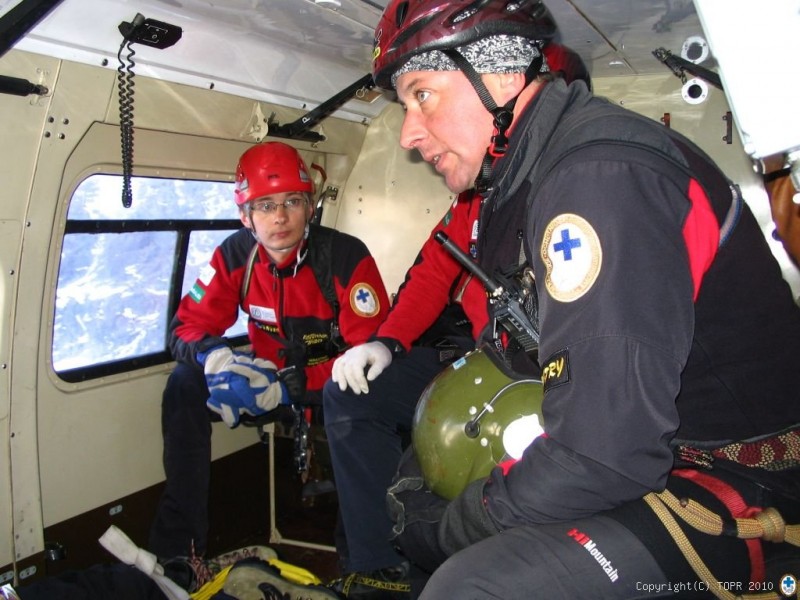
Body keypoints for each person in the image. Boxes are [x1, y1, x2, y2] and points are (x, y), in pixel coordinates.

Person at [336, 0, 800, 597]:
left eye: (422, 95)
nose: (407, 134)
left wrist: (456, 525)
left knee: (469, 587)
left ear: (502, 75)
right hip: (655, 447)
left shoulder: (598, 179)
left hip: (734, 475)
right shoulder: (519, 181)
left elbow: (603, 453)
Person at [323, 41, 594, 598]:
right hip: (480, 360)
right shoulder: (476, 198)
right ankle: (380, 567)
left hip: (552, 381)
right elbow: (432, 273)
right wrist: (386, 344)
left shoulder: (578, 194)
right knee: (351, 393)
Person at [148, 141, 390, 591]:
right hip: (261, 384)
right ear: (245, 215)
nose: (280, 217)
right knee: (183, 383)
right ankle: (178, 554)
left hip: (332, 388)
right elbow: (184, 327)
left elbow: (372, 357)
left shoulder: (344, 256)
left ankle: (361, 567)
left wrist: (295, 385)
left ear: (310, 207)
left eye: (292, 202)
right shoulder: (234, 256)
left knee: (361, 409)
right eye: (264, 205)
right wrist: (218, 358)